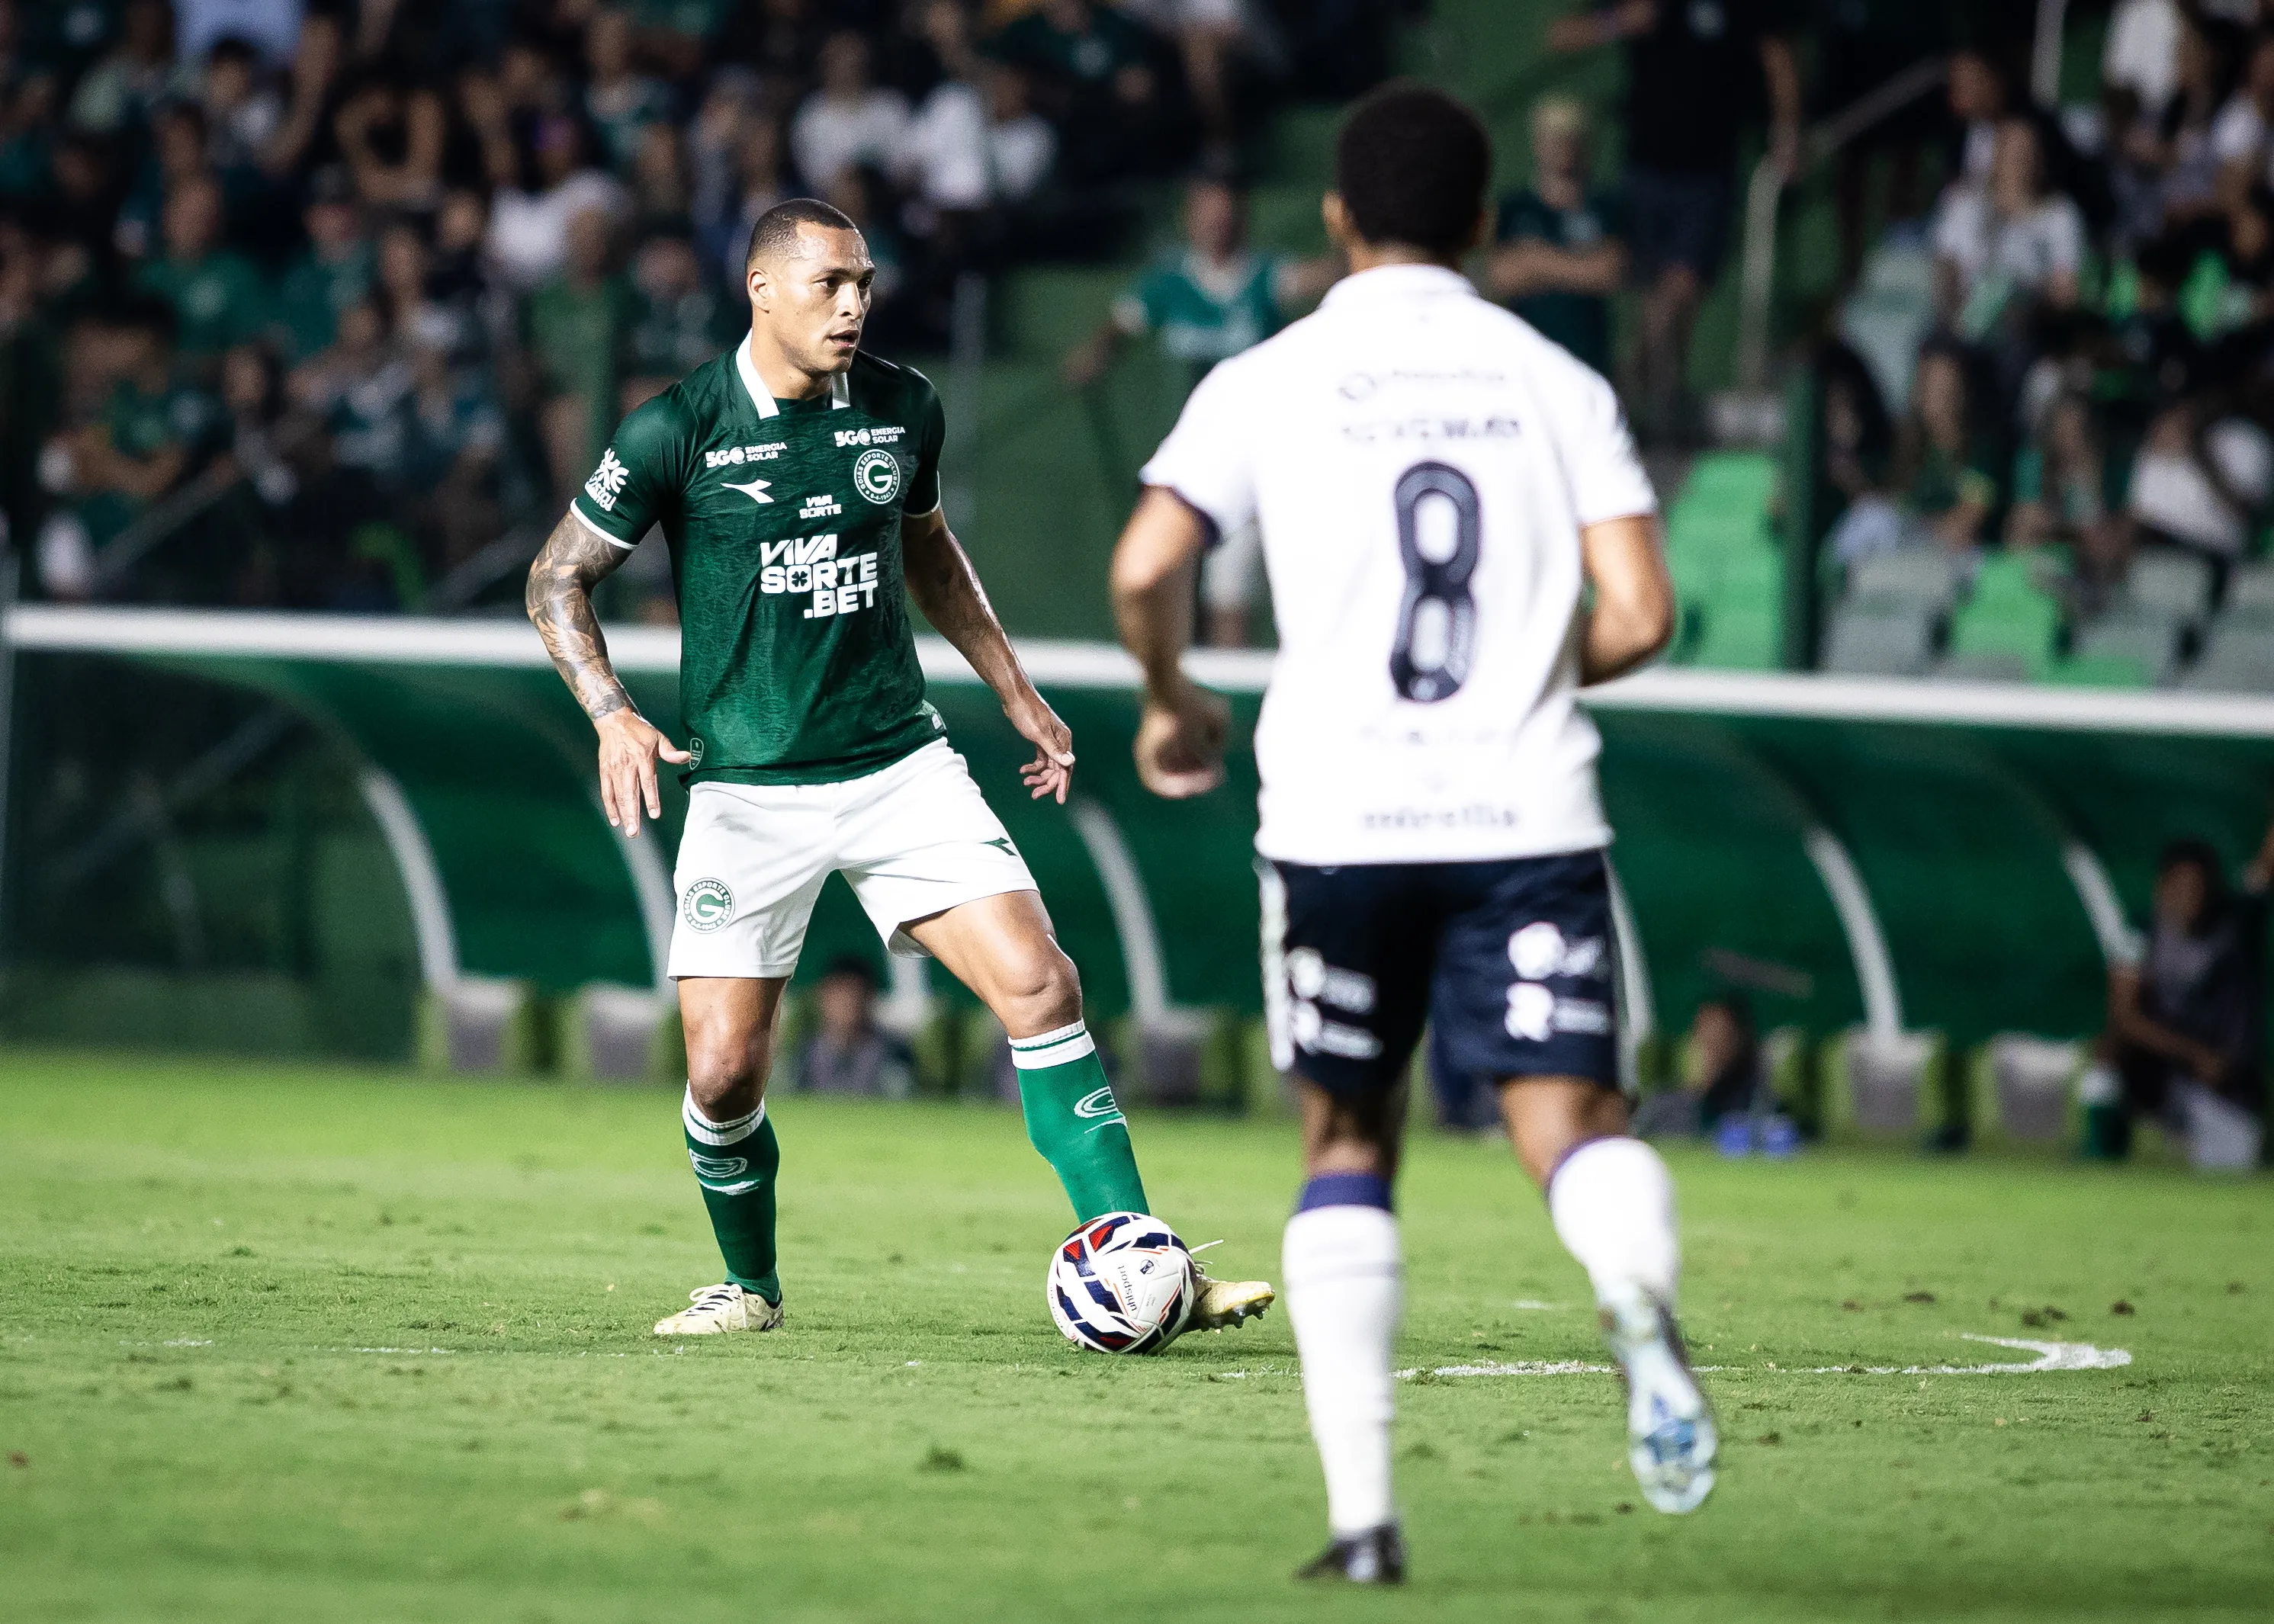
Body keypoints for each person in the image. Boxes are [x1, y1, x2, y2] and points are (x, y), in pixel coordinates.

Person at [1108, 85, 1707, 1584]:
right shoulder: (1553, 379)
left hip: (1338, 818)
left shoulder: (1270, 374)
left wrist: (1171, 695)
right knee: (1567, 1126)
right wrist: (1522, 671)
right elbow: (1641, 613)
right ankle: (1632, 1294)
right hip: (1525, 810)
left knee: (1346, 1140)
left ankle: (1368, 1524)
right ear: (1489, 223)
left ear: (1335, 221)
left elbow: (1142, 565)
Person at [524, 195, 1274, 1341]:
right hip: (746, 790)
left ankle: (1139, 1255)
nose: (854, 303)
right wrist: (612, 711)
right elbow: (555, 578)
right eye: (829, 283)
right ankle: (750, 1288)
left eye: (863, 282)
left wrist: (1012, 685)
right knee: (723, 1075)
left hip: (898, 769)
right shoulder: (677, 427)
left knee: (1041, 984)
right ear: (761, 288)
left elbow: (924, 543)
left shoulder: (901, 406)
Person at [1064, 176, 1338, 646]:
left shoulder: (1264, 276)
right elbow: (1121, 322)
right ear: (1189, 217)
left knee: (1229, 592)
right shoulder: (1169, 282)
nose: (1217, 225)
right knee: (1160, 581)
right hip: (1183, 460)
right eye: (1206, 212)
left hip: (1249, 459)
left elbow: (1314, 277)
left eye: (1226, 214)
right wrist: (1095, 354)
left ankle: (1230, 704)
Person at [1549, 0, 1800, 444]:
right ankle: (1653, 410)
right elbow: (1561, 35)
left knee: (1680, 293)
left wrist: (1786, 130)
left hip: (1708, 173)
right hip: (1646, 168)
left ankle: (1630, 391)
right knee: (1654, 301)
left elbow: (1776, 55)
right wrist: (1620, 20)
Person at [2092, 822, 2273, 1163]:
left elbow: (2265, 868)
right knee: (2109, 1048)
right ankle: (2103, 1153)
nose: (2192, 896)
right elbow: (2124, 1012)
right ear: (2163, 887)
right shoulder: (2141, 932)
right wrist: (2194, 1055)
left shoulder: (2237, 924)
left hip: (2228, 1085)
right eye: (2183, 885)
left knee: (2230, 1169)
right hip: (2168, 1073)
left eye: (2200, 887)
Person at [1486, 95, 1626, 379]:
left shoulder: (1605, 207)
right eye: (1555, 138)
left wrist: (1534, 259)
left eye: (1571, 138)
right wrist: (1578, 265)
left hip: (1588, 363)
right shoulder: (1515, 208)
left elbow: (1608, 273)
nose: (1564, 148)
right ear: (1538, 142)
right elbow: (1501, 277)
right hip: (1526, 365)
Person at [789, 955, 915, 1097]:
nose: (847, 1004)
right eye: (840, 995)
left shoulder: (893, 1048)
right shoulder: (807, 1051)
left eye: (854, 994)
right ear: (823, 997)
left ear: (870, 997)